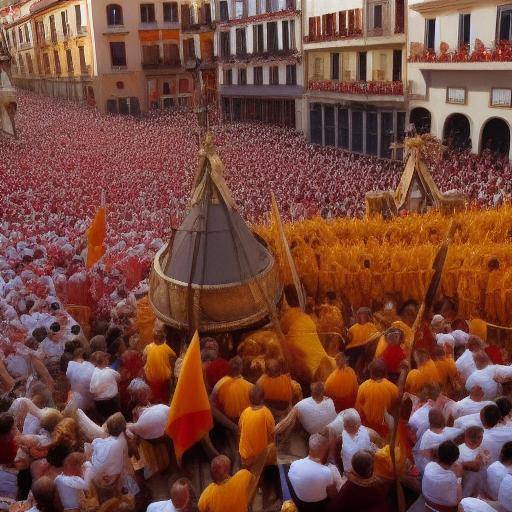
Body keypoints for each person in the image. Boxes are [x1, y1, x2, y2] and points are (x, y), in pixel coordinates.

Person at [287, 434, 337, 511]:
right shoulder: (326, 471)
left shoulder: (294, 464)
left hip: (299, 502)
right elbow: (333, 495)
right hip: (319, 506)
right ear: (325, 451)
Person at [355, 359, 399, 437]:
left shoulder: (363, 387)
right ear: (385, 373)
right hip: (386, 429)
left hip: (367, 428)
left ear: (371, 373)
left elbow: (359, 410)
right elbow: (395, 410)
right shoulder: (393, 388)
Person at [238, 385, 275, 468]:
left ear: (249, 399)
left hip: (245, 454)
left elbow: (240, 428)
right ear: (263, 399)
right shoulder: (266, 413)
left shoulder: (245, 412)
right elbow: (272, 433)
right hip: (260, 456)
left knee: (248, 472)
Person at [422, 440, 462, 512]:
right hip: (445, 508)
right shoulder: (450, 477)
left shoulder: (429, 465)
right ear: (455, 459)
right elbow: (457, 501)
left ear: (438, 455)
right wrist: (459, 478)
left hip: (427, 500)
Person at [211, 356, 253, 422]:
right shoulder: (221, 383)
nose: (236, 366)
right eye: (235, 364)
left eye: (238, 364)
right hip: (228, 421)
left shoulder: (220, 383)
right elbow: (213, 404)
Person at [143, 323, 176, 404]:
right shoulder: (166, 347)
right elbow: (174, 356)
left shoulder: (148, 347)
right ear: (163, 339)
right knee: (164, 399)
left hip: (151, 379)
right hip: (164, 380)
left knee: (153, 398)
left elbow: (143, 359)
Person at [340, 409, 376, 473]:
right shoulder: (341, 435)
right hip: (349, 471)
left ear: (359, 424)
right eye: (345, 425)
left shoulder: (369, 433)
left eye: (350, 426)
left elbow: (380, 445)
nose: (345, 427)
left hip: (366, 469)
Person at [89, 351, 121, 423]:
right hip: (112, 402)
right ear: (104, 361)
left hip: (99, 404)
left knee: (104, 422)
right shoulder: (110, 371)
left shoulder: (93, 373)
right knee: (116, 421)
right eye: (107, 359)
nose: (108, 360)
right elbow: (119, 378)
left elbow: (92, 390)